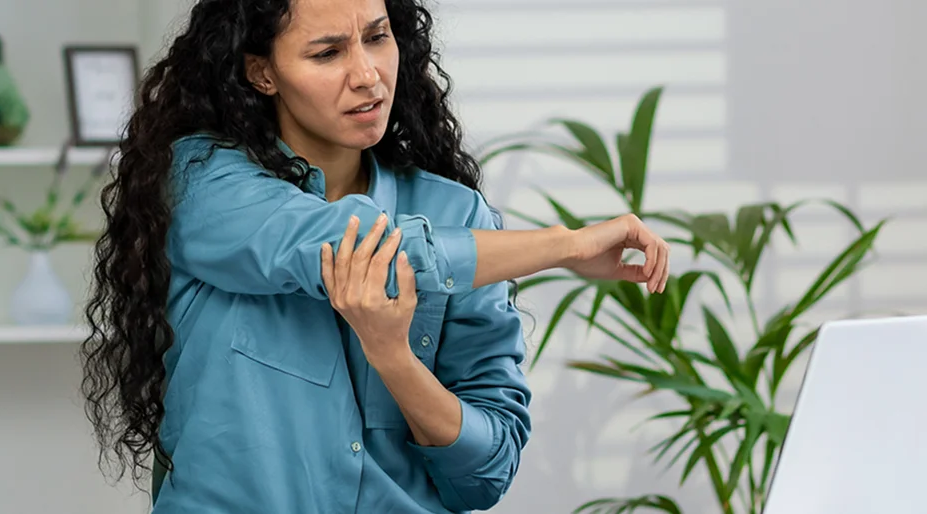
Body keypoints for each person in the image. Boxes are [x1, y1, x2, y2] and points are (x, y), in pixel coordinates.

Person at [79, 0, 671, 512]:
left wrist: (394, 359)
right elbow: (352, 247)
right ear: (262, 72)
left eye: (377, 37)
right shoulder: (201, 180)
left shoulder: (459, 218)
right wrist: (564, 246)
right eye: (327, 53)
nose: (367, 75)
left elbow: (485, 474)